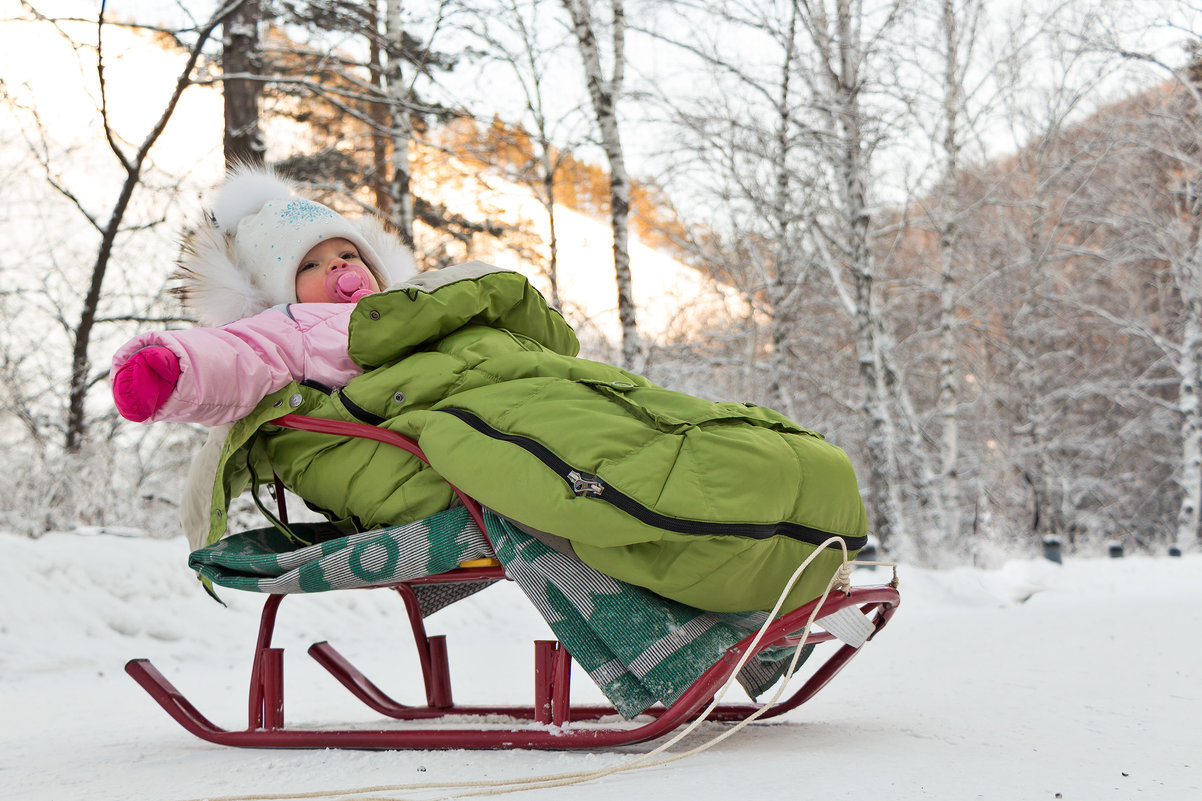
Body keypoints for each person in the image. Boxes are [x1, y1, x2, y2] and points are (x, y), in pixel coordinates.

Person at [112, 165, 869, 615]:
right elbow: (229, 361)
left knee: (643, 416)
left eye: (352, 251)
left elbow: (544, 359)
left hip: (499, 392)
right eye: (315, 263)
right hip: (423, 442)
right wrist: (168, 371)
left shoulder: (417, 309)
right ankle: (739, 560)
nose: (343, 269)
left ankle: (776, 518)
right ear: (281, 289)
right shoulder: (288, 329)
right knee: (619, 475)